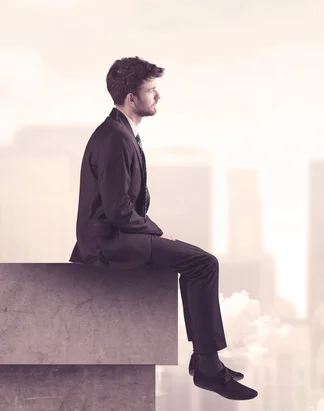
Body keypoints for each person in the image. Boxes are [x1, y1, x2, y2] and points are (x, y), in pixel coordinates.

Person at [69, 56, 258, 401]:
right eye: (151, 90)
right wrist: (155, 233)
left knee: (196, 263)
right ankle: (207, 367)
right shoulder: (115, 138)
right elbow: (117, 209)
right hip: (110, 243)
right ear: (131, 98)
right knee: (203, 263)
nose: (158, 96)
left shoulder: (120, 132)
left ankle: (207, 363)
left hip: (117, 236)